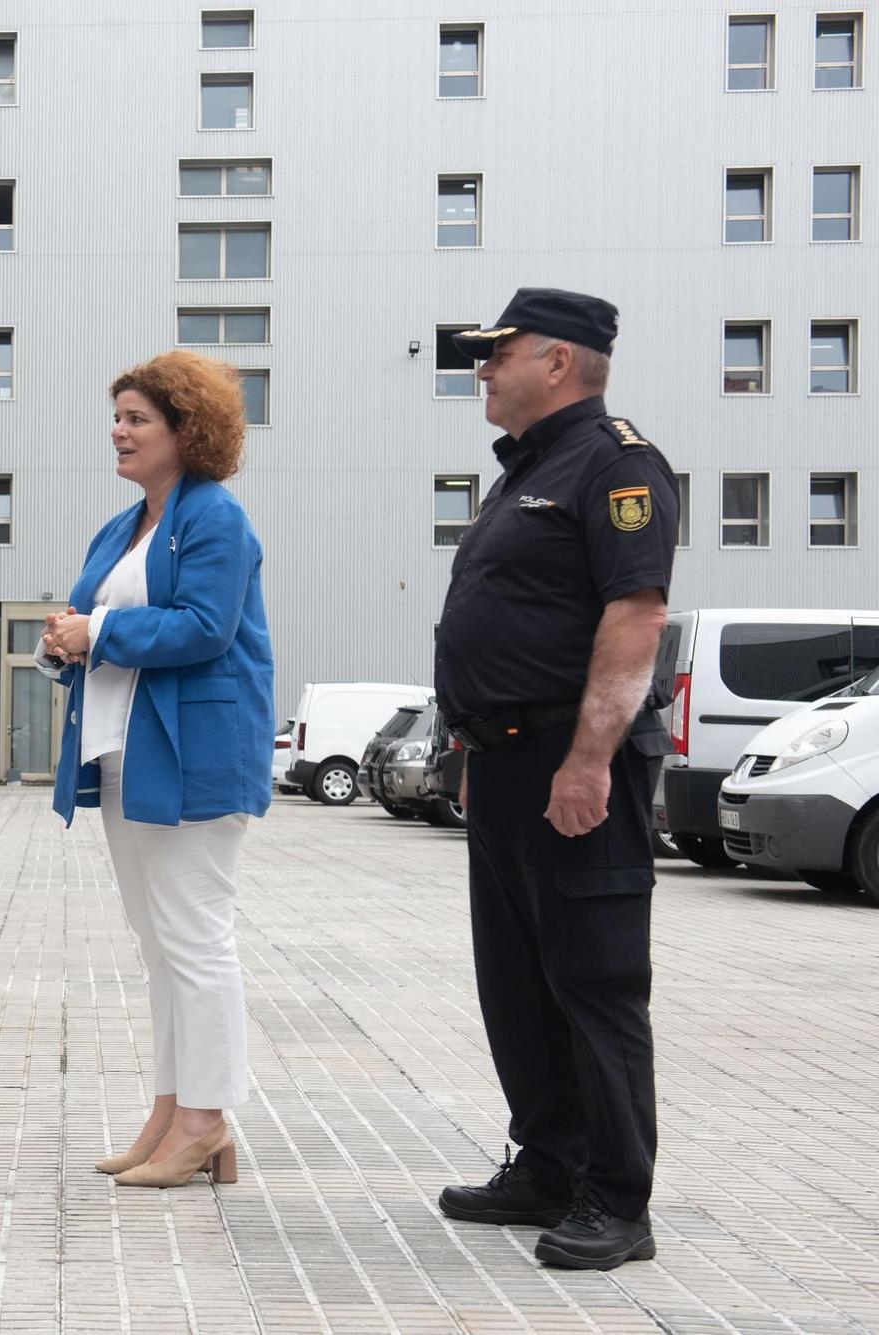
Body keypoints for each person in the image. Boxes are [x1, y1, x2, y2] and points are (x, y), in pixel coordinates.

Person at [432, 289, 677, 1272]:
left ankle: (617, 1201)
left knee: (593, 979)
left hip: (570, 761)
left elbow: (635, 617)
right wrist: (464, 748)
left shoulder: (614, 464)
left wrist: (584, 762)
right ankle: (545, 1164)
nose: (480, 371)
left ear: (558, 363)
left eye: (497, 355)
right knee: (517, 982)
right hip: (498, 762)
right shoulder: (521, 473)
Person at [41, 349, 272, 1190]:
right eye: (119, 415)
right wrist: (63, 639)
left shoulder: (216, 518)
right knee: (159, 943)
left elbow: (207, 627)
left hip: (196, 756)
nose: (120, 429)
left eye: (138, 417)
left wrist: (96, 633)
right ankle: (174, 1110)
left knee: (196, 938)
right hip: (126, 752)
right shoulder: (124, 523)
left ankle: (207, 1121)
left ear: (187, 429)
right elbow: (89, 613)